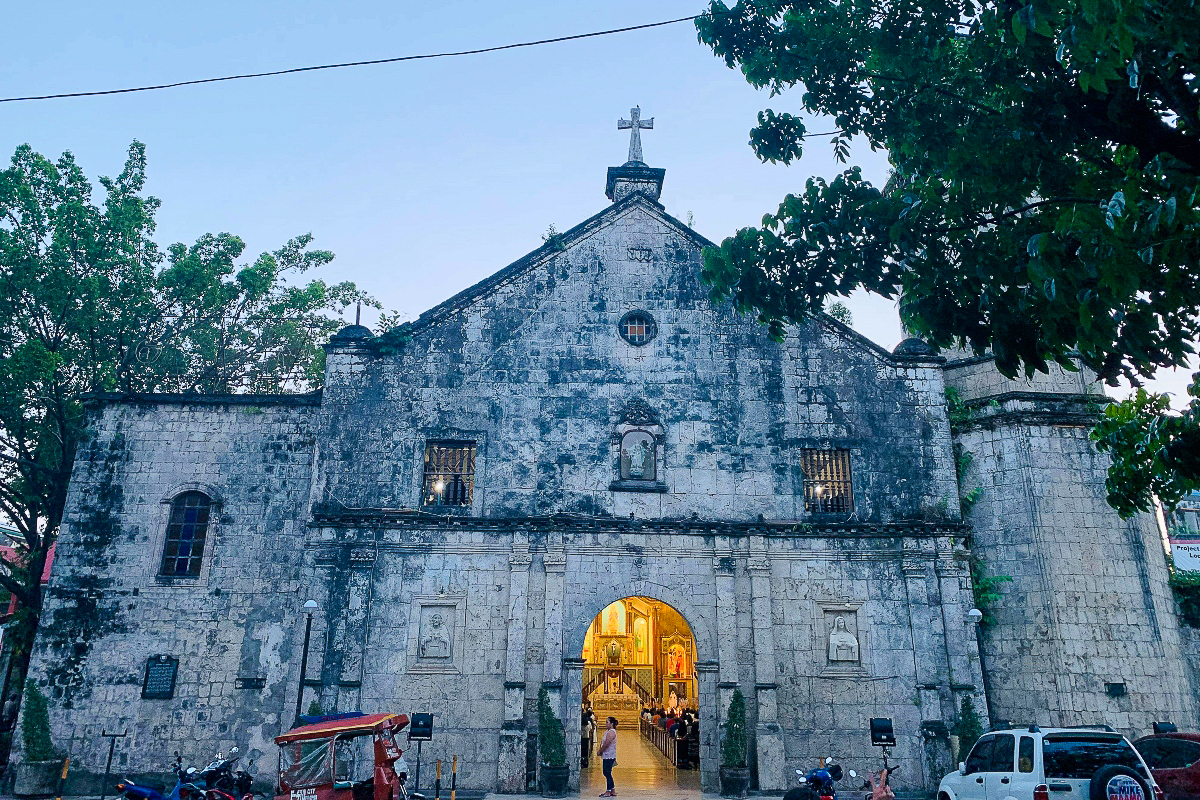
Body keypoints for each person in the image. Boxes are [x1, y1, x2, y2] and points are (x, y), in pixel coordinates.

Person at [598, 716, 618, 797]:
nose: (606, 723)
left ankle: (608, 791)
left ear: (612, 723)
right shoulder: (608, 731)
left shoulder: (611, 732)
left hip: (609, 755)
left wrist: (600, 751)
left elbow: (607, 743)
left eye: (607, 722)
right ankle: (612, 789)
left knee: (607, 772)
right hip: (607, 754)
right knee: (607, 772)